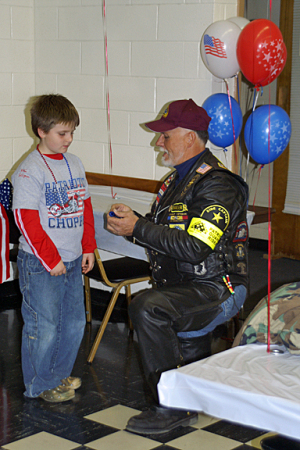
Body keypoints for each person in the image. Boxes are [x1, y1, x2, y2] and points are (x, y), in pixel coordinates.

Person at [106, 98, 249, 434]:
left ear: (190, 138)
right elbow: (166, 236)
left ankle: (170, 409)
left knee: (147, 307)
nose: (159, 142)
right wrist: (132, 225)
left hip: (218, 286)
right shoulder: (174, 183)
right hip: (184, 285)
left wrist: (138, 228)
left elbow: (197, 248)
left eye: (165, 136)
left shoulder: (218, 184)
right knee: (164, 311)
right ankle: (189, 400)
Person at [12, 94, 97, 403]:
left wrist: (88, 246)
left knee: (73, 322)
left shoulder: (74, 163)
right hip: (41, 263)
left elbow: (85, 207)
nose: (69, 139)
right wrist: (51, 259)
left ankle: (57, 375)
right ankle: (39, 384)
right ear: (41, 131)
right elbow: (25, 219)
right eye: (63, 133)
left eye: (72, 132)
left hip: (72, 259)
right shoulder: (29, 170)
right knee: (44, 326)